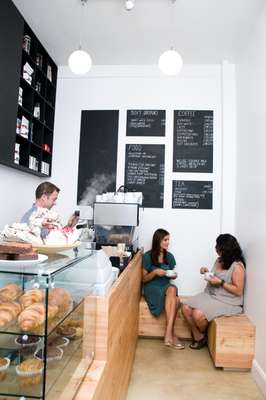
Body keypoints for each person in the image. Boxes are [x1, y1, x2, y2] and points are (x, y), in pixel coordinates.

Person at [182, 233, 246, 350]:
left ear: (225, 249)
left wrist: (221, 282)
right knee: (185, 308)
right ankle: (199, 336)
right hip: (210, 294)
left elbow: (238, 291)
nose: (215, 248)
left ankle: (203, 335)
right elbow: (214, 276)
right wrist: (205, 271)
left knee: (197, 314)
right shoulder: (219, 260)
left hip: (227, 301)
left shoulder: (237, 267)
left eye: (218, 246)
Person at [142, 228, 184, 349]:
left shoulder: (169, 257)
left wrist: (174, 275)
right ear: (158, 240)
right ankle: (172, 334)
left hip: (165, 287)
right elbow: (143, 279)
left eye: (168, 240)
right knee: (176, 300)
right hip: (151, 287)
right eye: (165, 240)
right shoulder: (147, 256)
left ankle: (168, 334)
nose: (167, 242)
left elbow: (172, 273)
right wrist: (154, 272)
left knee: (172, 289)